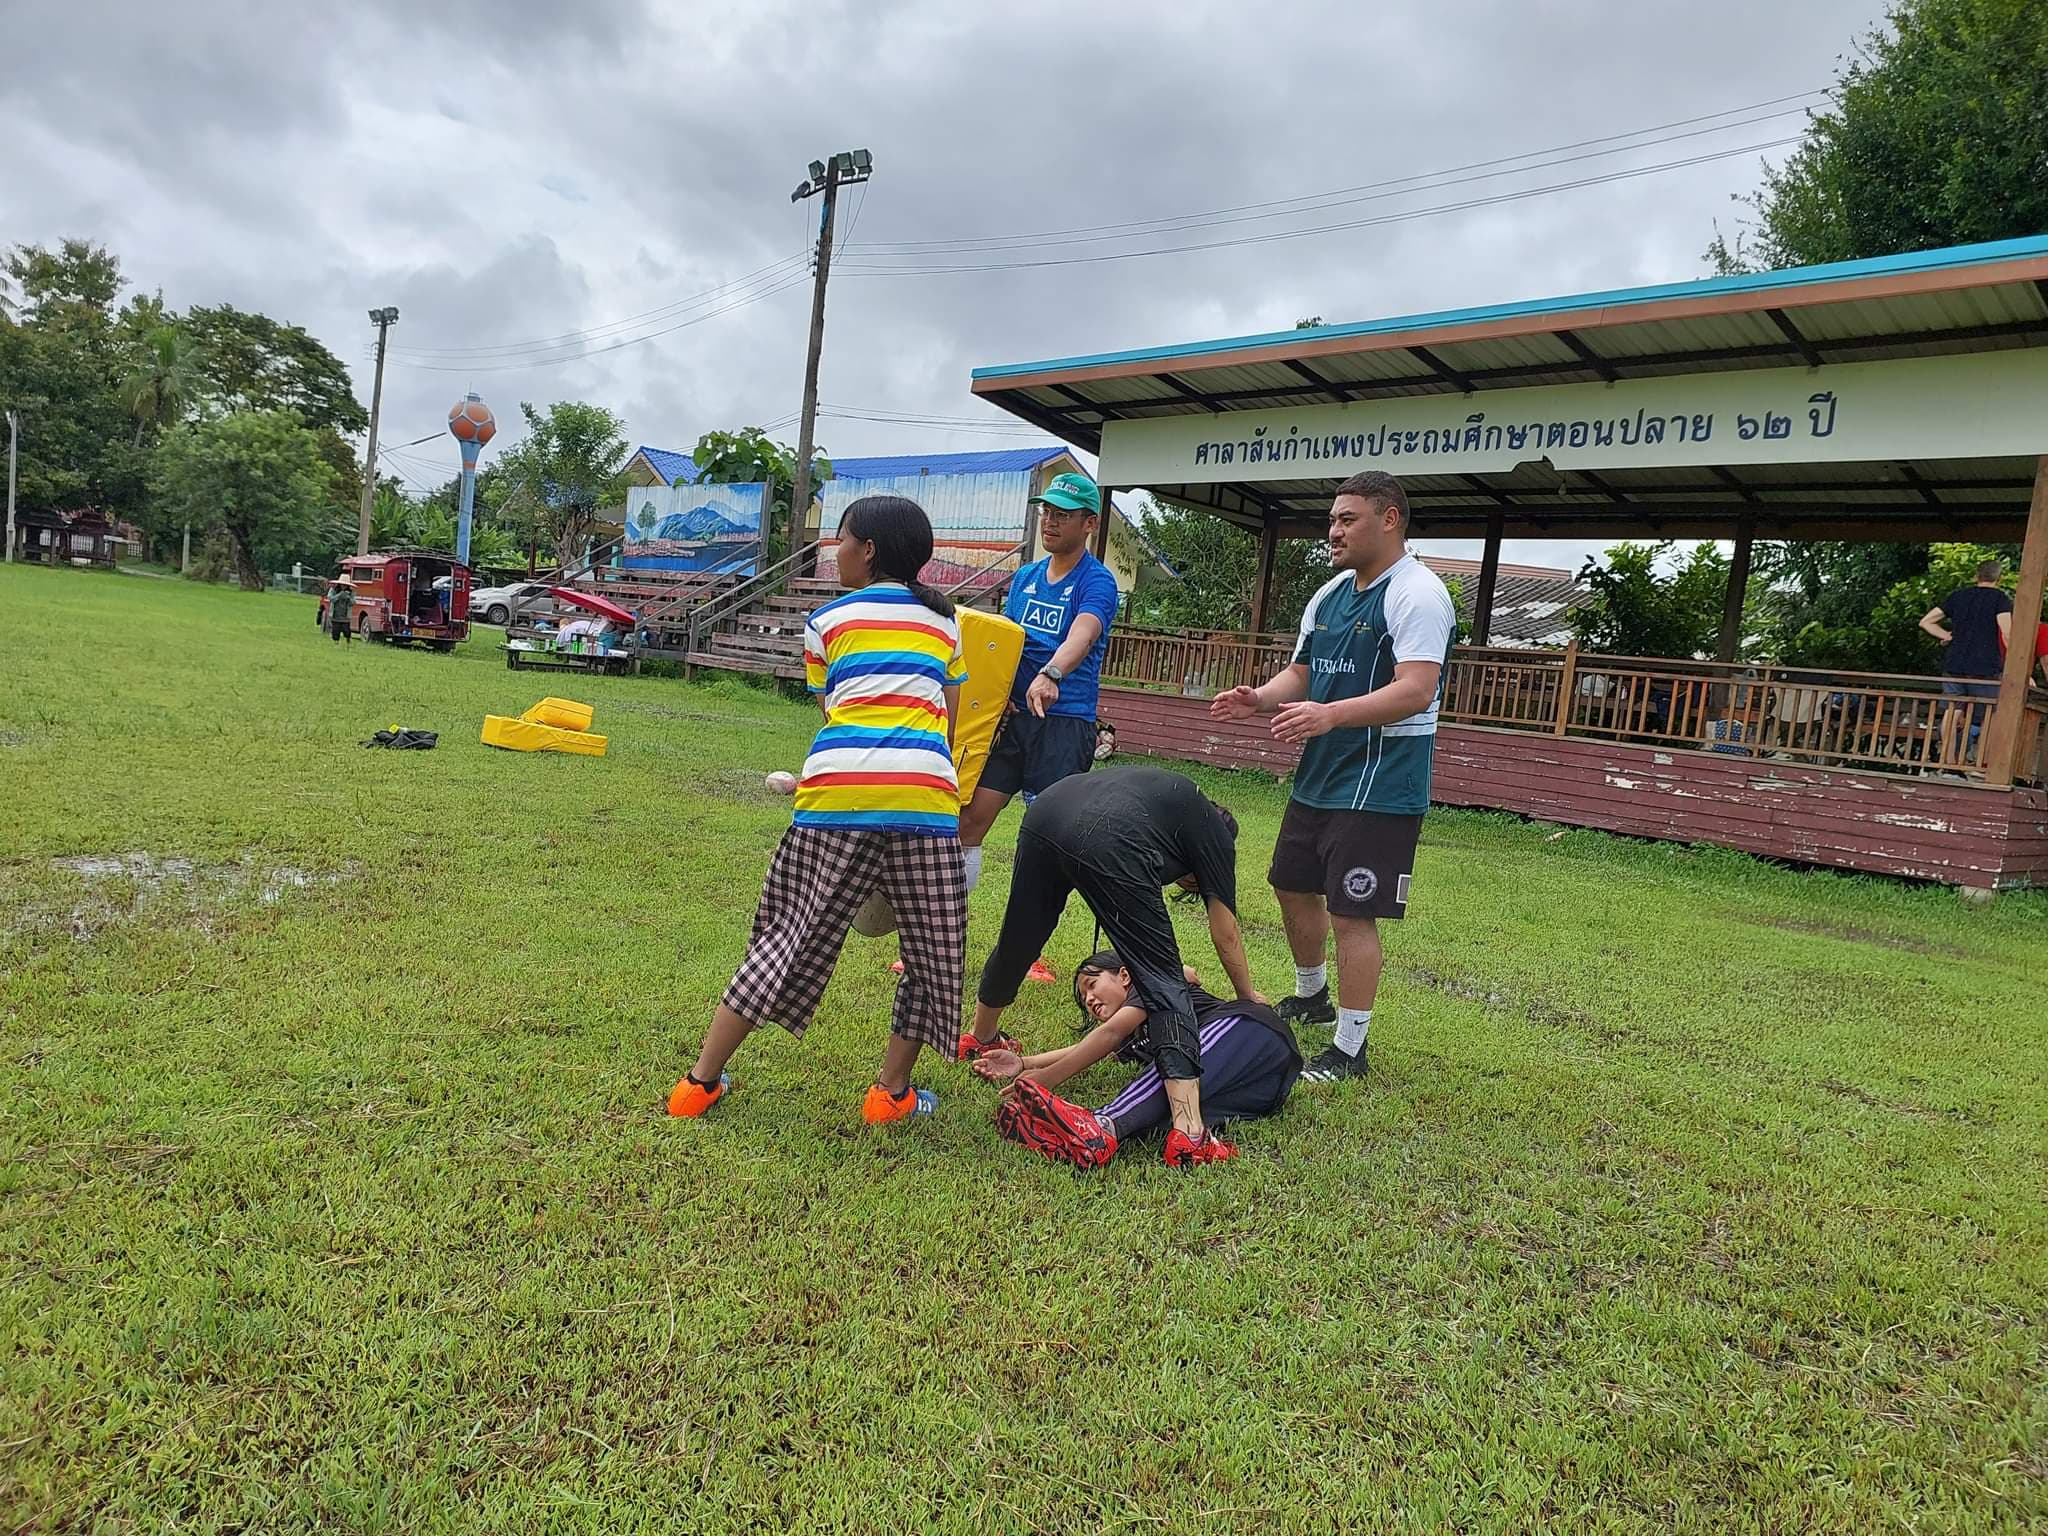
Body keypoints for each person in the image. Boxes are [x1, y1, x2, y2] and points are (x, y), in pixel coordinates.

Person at [667, 495, 969, 1127]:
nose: (835, 552)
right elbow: (952, 716)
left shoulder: (826, 620)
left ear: (870, 551)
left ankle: (698, 1085)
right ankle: (890, 1096)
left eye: (841, 540)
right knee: (930, 954)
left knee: (785, 938)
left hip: (836, 795)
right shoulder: (948, 624)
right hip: (926, 799)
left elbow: (834, 710)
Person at [1210, 470, 1455, 1086]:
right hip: (1322, 772)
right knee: (1291, 883)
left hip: (1382, 777)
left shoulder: (1418, 593)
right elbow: (1303, 672)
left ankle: (1350, 1048)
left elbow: (1416, 689)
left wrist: (1329, 715)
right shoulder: (1330, 594)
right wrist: (1260, 698)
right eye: (1332, 520)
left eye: (1348, 519)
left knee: (1353, 910)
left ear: (1389, 519)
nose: (1334, 530)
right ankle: (1312, 995)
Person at [961, 765, 1260, 1166]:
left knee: (1021, 938)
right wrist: (1247, 996)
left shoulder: (1169, 798)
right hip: (1111, 832)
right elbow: (1225, 932)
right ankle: (1190, 1134)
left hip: (1047, 810)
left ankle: (981, 1037)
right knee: (1162, 977)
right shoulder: (1215, 836)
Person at [970, 952, 1301, 1170]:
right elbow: (1091, 1045)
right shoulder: (1137, 1035)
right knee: (1164, 1106)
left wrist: (1047, 1078)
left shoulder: (1151, 985)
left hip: (1251, 1030)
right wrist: (1024, 1063)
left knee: (1176, 1061)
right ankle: (1065, 1136)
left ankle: (1101, 1125)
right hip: (1262, 1092)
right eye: (1085, 1000)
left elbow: (1109, 1035)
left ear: (1125, 976)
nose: (1089, 999)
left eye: (1092, 984)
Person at [957, 472, 1122, 905]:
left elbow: (1082, 636)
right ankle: (946, 928)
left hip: (1064, 725)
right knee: (968, 822)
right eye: (1047, 512)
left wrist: (1051, 673)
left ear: (1089, 524)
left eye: (1063, 515)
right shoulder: (1025, 576)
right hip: (1012, 720)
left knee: (1045, 840)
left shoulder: (1097, 582)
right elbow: (1004, 644)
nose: (1050, 521)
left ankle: (1029, 950)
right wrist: (998, 698)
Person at [1920, 560, 2012, 762]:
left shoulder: (1958, 596)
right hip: (1985, 665)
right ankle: (1982, 761)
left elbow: (1925, 621)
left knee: (1953, 710)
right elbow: (2006, 631)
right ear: (1999, 578)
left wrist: (1946, 635)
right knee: (1990, 712)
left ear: (1976, 575)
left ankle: (1947, 761)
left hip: (1955, 662)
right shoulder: (2000, 599)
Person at [1996, 607, 2048, 688]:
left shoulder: (1998, 625)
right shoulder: (2041, 630)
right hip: (2015, 681)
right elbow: (2046, 663)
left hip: (1986, 676)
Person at [327, 579, 354, 644]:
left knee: (347, 631)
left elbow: (353, 602)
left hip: (345, 616)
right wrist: (339, 595)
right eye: (342, 584)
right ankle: (336, 643)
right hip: (335, 615)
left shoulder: (351, 592)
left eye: (345, 585)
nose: (344, 586)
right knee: (335, 630)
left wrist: (348, 598)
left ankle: (348, 642)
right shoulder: (333, 590)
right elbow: (330, 598)